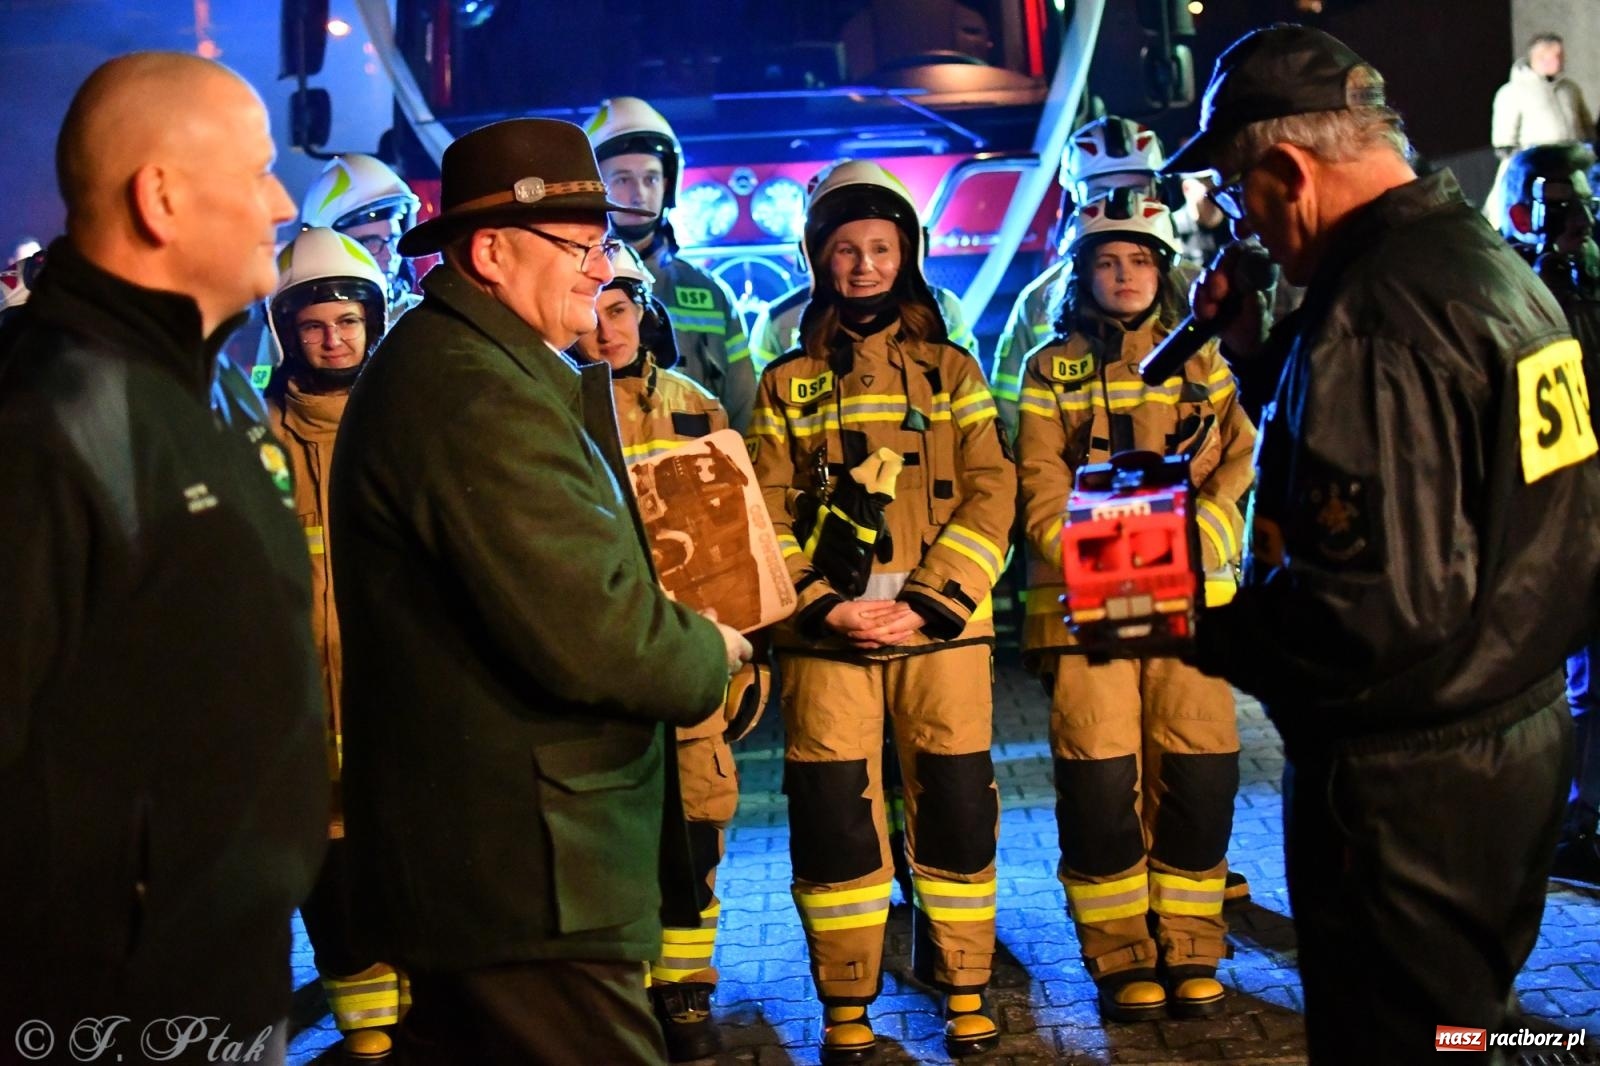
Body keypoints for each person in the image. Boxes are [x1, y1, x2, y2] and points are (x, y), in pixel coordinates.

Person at [1169, 25, 1600, 1060]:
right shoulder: (1482, 266)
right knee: (1464, 1028)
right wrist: (1264, 353)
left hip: (1408, 790)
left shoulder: (1371, 321)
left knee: (1401, 1041)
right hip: (1512, 731)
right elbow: (1432, 464)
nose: (1242, 224)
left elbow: (1366, 615)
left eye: (1236, 195)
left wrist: (1195, 625)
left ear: (1286, 171)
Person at [329, 117, 752, 1065]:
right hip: (526, 873)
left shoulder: (478, 370)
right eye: (580, 248)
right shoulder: (475, 395)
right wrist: (707, 653)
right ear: (489, 251)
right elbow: (593, 630)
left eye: (603, 247)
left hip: (507, 863)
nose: (603, 273)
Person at [0, 51, 326, 1056]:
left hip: (217, 975)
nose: (281, 202)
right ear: (162, 198)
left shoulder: (197, 390)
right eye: (260, 169)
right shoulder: (51, 415)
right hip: (111, 1003)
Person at [748, 159, 1015, 1063]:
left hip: (942, 638)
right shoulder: (785, 382)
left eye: (880, 248)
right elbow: (766, 508)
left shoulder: (953, 370)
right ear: (817, 258)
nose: (863, 266)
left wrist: (932, 604)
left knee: (956, 811)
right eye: (844, 250)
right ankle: (847, 1007)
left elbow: (992, 490)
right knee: (832, 822)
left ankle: (966, 987)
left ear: (907, 256)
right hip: (830, 646)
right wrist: (827, 610)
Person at [1015, 189, 1255, 1023]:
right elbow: (1038, 479)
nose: (1125, 275)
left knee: (1197, 769)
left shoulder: (1207, 360)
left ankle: (1192, 944)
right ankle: (1119, 953)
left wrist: (1207, 533)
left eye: (1141, 260)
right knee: (1099, 776)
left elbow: (1238, 459)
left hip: (1192, 600)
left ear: (1166, 269)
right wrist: (1093, 552)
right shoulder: (1050, 368)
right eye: (1108, 262)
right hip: (1089, 609)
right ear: (1082, 274)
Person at [568, 245, 753, 1061]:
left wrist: (748, 653)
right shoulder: (547, 407)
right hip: (599, 658)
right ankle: (622, 984)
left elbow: (738, 543)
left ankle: (686, 983)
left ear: (645, 311)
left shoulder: (696, 406)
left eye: (622, 308)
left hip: (686, 652)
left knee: (697, 820)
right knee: (607, 829)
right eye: (594, 308)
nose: (608, 327)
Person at [263, 227, 405, 1060]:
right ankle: (367, 1036)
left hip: (398, 698)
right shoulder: (251, 433)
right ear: (287, 332)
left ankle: (425, 1025)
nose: (334, 339)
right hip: (300, 708)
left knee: (413, 874)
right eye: (315, 324)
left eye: (348, 323)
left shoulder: (406, 419)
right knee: (335, 889)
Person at [1495, 142, 1600, 887]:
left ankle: (1583, 815)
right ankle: (1562, 820)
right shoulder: (1512, 287)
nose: (1573, 222)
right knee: (1559, 680)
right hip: (1550, 517)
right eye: (1559, 205)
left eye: (1580, 203)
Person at [585, 97, 756, 431]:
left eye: (651, 179)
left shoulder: (709, 293)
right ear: (595, 187)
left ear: (668, 184)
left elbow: (744, 410)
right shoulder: (572, 285)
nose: (638, 194)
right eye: (622, 179)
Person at [991, 117, 1168, 439]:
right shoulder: (1039, 301)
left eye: (1134, 189)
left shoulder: (1194, 289)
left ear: (1157, 191)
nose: (1119, 203)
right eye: (1100, 191)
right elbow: (1009, 418)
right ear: (1074, 197)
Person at [299, 153, 424, 321]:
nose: (389, 255)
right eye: (371, 242)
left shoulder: (430, 321)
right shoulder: (296, 326)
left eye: (393, 239)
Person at [1487, 34, 1595, 225]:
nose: (1560, 60)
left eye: (1561, 55)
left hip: (1573, 168)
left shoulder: (1570, 89)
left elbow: (1587, 127)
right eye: (1554, 56)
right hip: (1535, 174)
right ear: (1539, 57)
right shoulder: (1512, 92)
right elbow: (1504, 143)